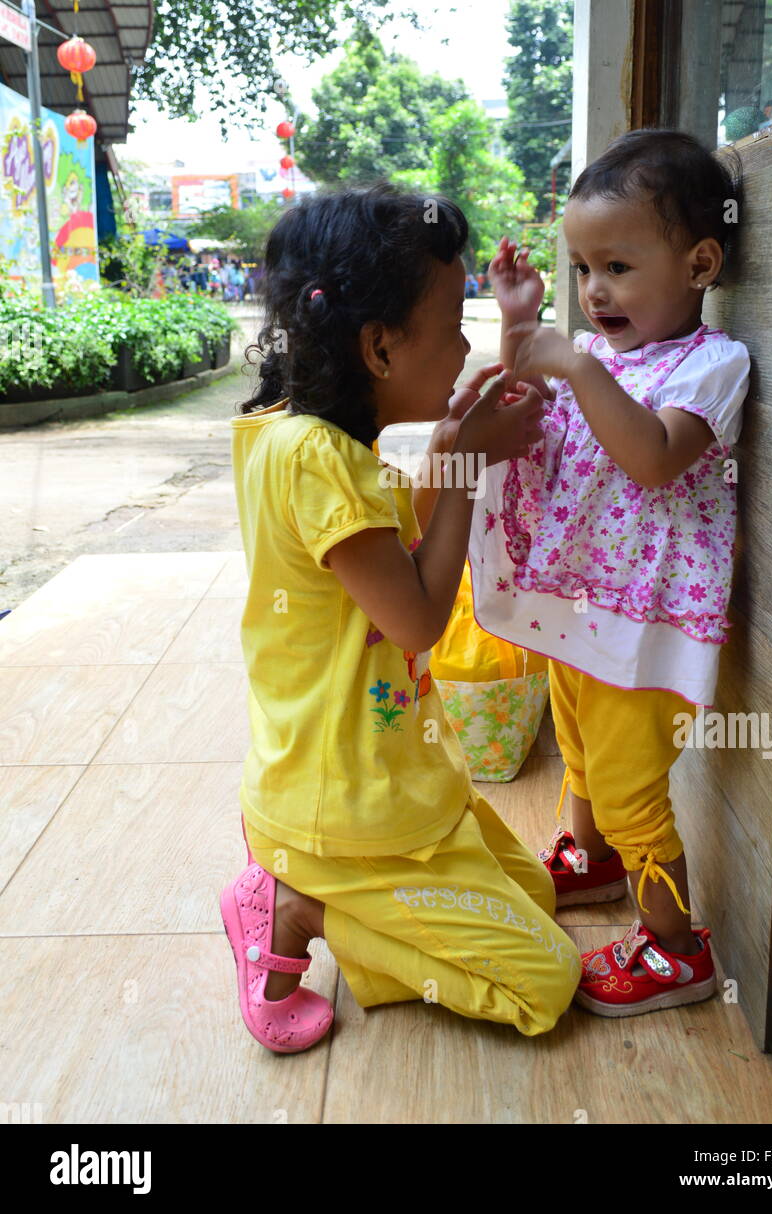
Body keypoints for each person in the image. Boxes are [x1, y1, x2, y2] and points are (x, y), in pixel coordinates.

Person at [220, 183, 582, 1055]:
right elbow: (418, 619)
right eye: (456, 323)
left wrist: (459, 445)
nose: (465, 345)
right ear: (380, 348)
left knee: (534, 895)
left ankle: (320, 891)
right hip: (349, 810)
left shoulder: (300, 435)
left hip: (390, 783)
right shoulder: (319, 461)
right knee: (548, 979)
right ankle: (299, 901)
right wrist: (463, 465)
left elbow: (392, 555)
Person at [468, 129, 750, 1018]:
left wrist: (580, 366)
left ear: (701, 262)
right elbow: (538, 422)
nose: (594, 291)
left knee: (631, 789)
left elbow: (654, 459)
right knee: (580, 751)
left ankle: (676, 951)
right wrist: (521, 328)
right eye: (583, 268)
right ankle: (590, 861)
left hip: (643, 627)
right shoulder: (614, 360)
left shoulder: (712, 365)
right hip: (582, 612)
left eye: (619, 266)